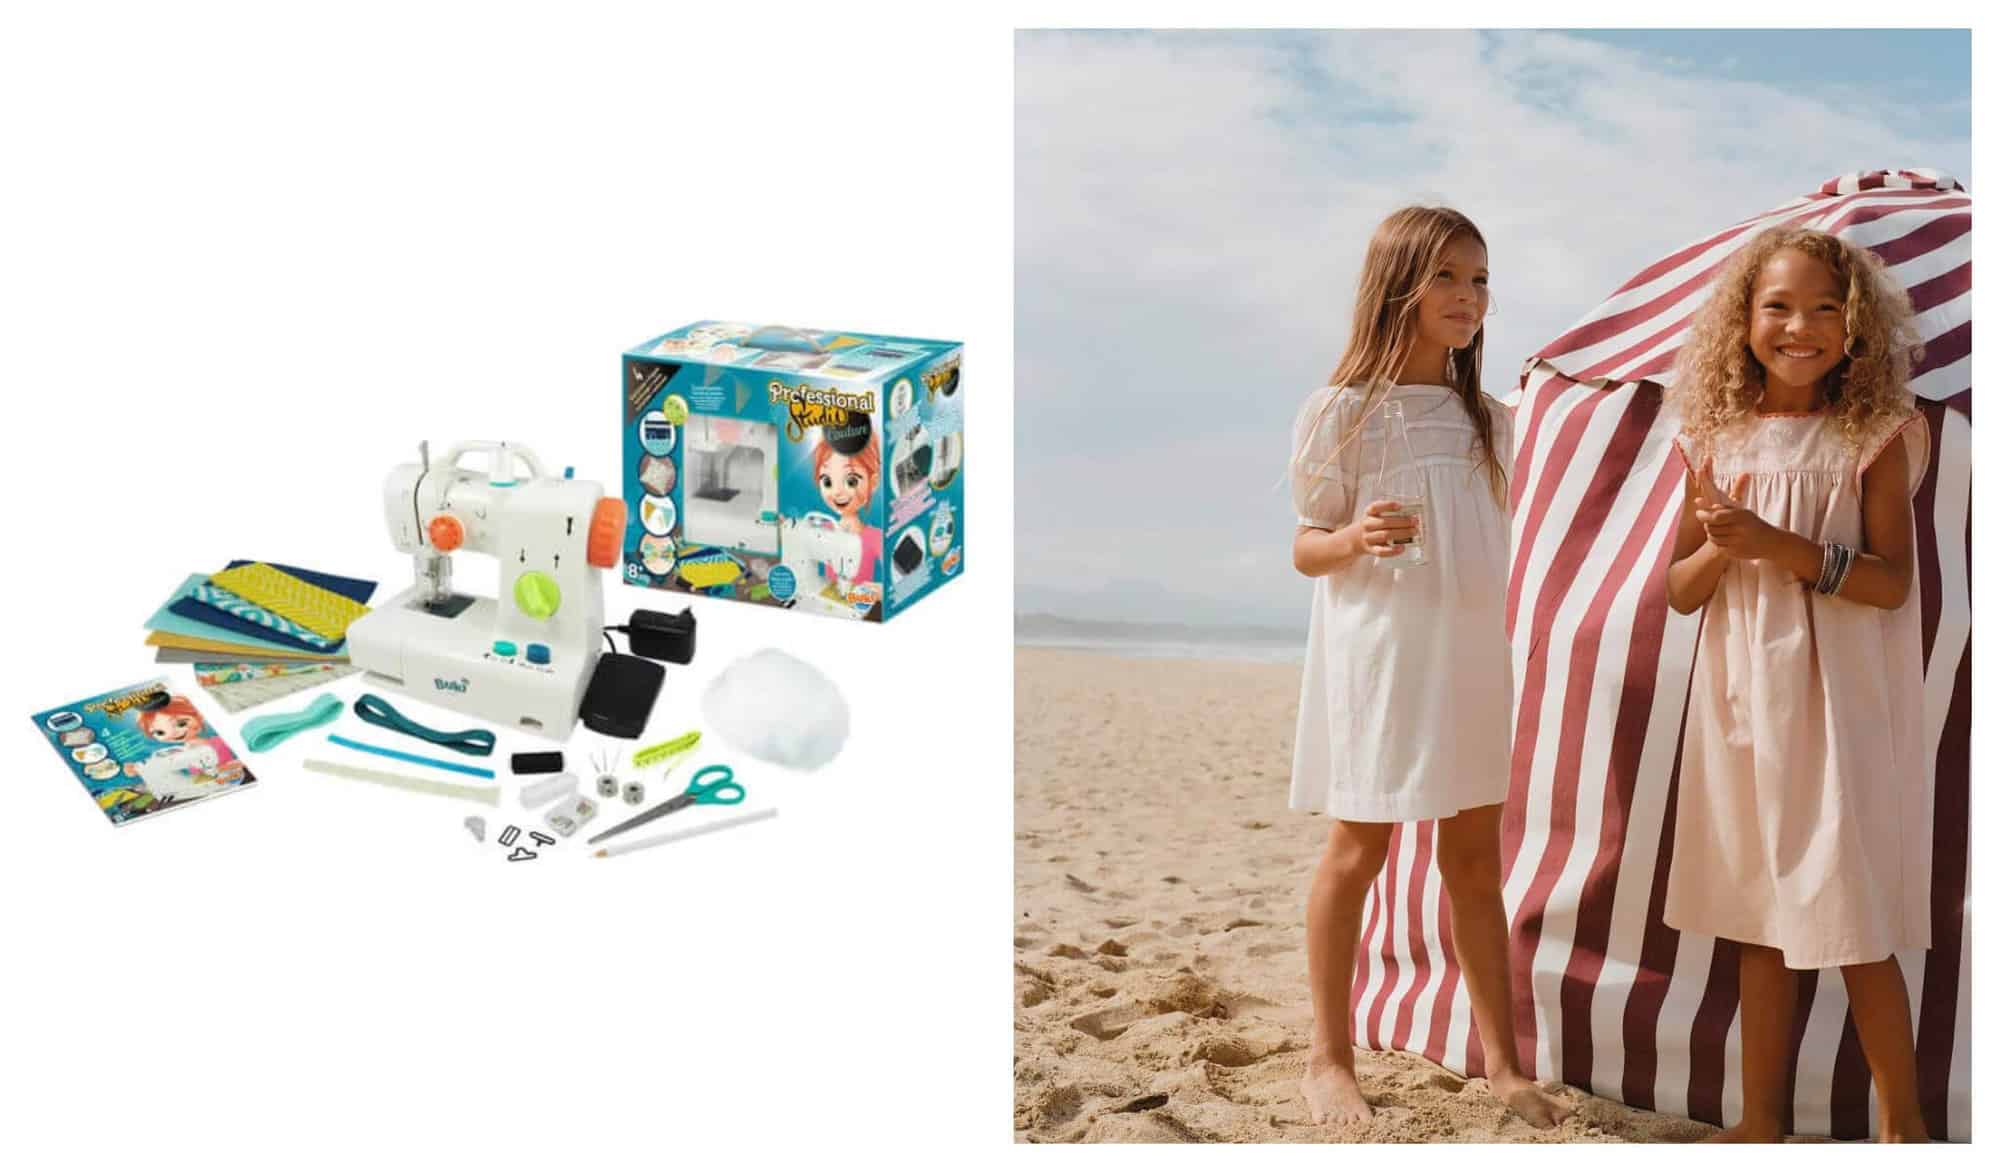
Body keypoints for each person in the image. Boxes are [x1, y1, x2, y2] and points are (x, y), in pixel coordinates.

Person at [1288, 205, 1567, 1129]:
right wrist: (1355, 535)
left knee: (1475, 859)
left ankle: (1502, 1066)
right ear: (1397, 283)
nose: (1468, 297)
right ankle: (1330, 1058)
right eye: (1447, 275)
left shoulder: (1493, 420)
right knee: (1360, 847)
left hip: (1473, 653)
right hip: (1384, 654)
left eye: (1480, 279)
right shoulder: (1343, 412)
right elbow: (1305, 546)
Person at [1663, 227, 1931, 1142]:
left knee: (1847, 903)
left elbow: (1893, 583)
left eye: (1826, 308)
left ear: (1855, 327)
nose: (1801, 327)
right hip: (1741, 700)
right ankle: (1759, 1125)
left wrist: (1777, 547)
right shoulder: (1711, 434)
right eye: (1778, 306)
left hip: (1836, 697)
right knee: (1756, 908)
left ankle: (1904, 1128)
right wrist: (1720, 548)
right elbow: (1678, 590)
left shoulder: (1878, 431)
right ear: (1744, 320)